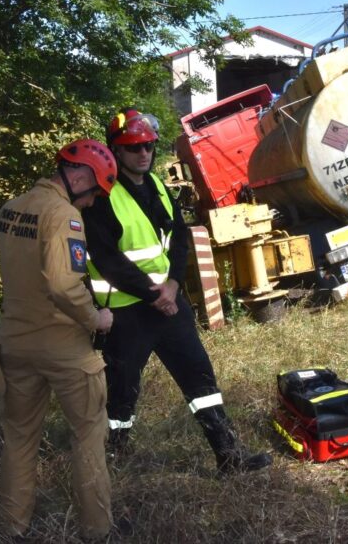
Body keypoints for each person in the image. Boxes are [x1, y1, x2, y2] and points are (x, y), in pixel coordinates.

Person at [82, 108, 272, 474]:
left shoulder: (157, 186)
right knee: (121, 395)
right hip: (126, 314)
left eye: (149, 146)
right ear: (116, 151)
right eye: (134, 147)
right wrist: (155, 295)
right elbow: (107, 260)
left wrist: (171, 285)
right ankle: (108, 465)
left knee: (201, 377)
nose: (144, 154)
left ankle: (229, 457)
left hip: (169, 306)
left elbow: (179, 238)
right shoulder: (102, 197)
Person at [0, 140, 118, 538]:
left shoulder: (10, 209)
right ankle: (97, 531)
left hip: (14, 345)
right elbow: (61, 284)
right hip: (63, 346)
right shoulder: (64, 215)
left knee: (19, 439)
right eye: (94, 193)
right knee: (89, 435)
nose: (91, 203)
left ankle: (11, 528)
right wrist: (96, 318)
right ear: (79, 177)